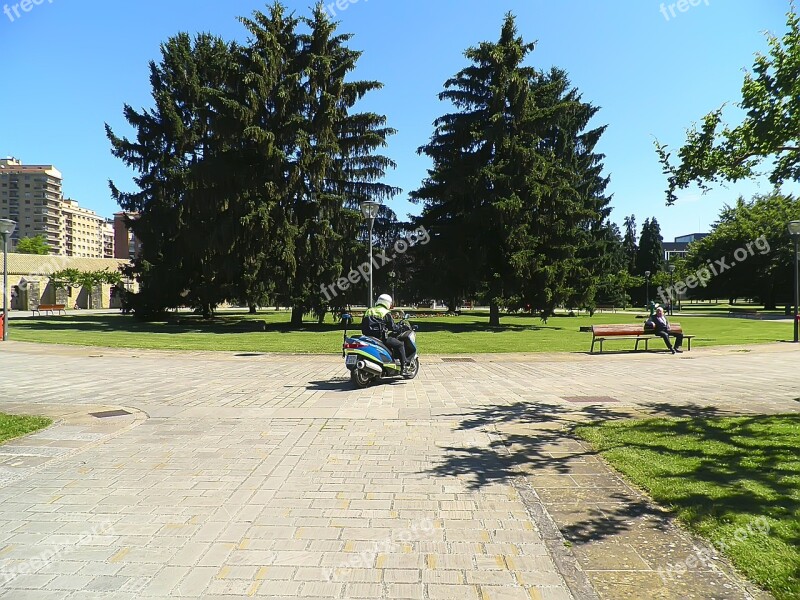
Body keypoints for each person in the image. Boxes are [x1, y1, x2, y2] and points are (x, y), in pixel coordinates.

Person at [361, 294, 408, 372]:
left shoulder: (369, 311)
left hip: (368, 337)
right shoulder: (385, 312)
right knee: (400, 345)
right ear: (387, 303)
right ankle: (404, 367)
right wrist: (400, 327)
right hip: (381, 338)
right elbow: (392, 327)